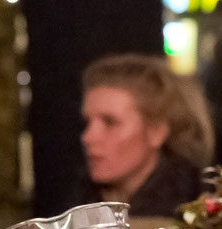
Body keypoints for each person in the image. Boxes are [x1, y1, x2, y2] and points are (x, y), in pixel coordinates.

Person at [80, 53, 213, 218]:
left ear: (156, 131)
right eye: (86, 123)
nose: (87, 137)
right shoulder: (77, 212)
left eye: (110, 122)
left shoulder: (198, 219)